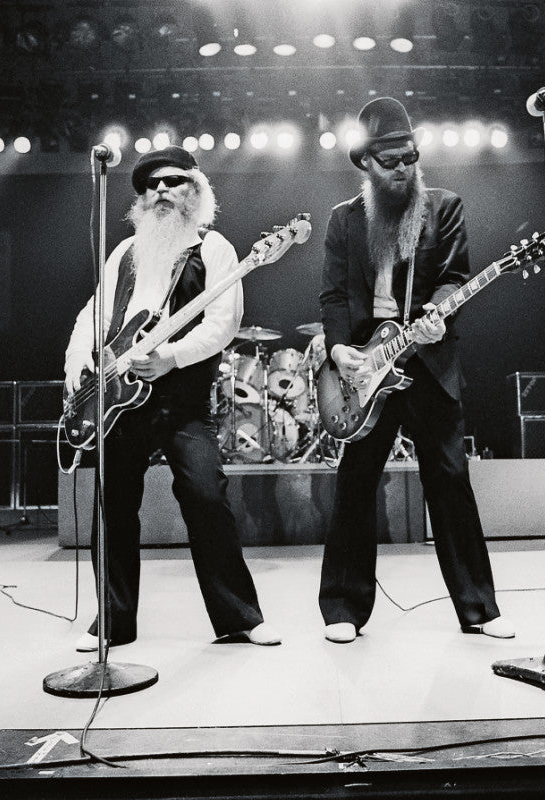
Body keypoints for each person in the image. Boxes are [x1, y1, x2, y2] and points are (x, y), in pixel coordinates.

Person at [64, 146, 280, 651]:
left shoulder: (215, 249)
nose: (161, 190)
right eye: (152, 184)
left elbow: (222, 323)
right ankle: (113, 620)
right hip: (116, 397)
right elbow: (92, 315)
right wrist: (77, 366)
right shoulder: (124, 251)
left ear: (196, 191)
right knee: (112, 507)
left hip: (181, 397)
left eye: (174, 181)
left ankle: (240, 618)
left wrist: (171, 358)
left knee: (206, 498)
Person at [318, 97, 514, 644]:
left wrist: (437, 314)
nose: (402, 167)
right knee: (355, 484)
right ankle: (342, 608)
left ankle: (479, 608)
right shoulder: (344, 220)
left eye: (409, 157)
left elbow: (455, 275)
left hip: (428, 364)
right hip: (366, 371)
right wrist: (338, 351)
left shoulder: (443, 207)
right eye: (389, 160)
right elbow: (333, 296)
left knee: (450, 481)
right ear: (367, 164)